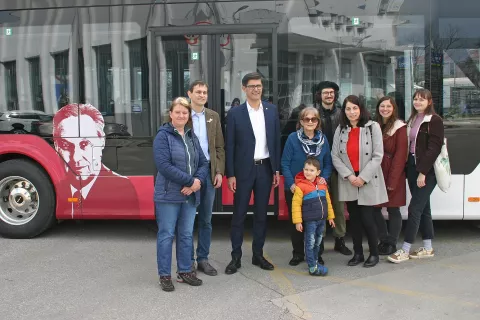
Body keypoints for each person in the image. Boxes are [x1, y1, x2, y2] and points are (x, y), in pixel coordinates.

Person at [225, 72, 281, 274]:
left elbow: (275, 141)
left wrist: (276, 169)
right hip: (243, 171)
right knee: (238, 214)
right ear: (244, 89)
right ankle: (235, 257)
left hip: (265, 169)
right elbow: (229, 145)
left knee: (261, 215)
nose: (256, 89)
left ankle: (258, 255)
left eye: (259, 85)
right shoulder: (234, 114)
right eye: (252, 86)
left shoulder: (271, 110)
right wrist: (230, 174)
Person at [153, 97, 209, 292]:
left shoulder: (191, 136)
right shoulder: (163, 136)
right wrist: (189, 181)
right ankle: (165, 275)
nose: (181, 115)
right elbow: (164, 166)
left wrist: (197, 183)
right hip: (168, 195)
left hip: (190, 194)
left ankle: (185, 271)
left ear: (188, 115)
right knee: (166, 234)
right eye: (177, 112)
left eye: (185, 113)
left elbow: (203, 163)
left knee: (185, 234)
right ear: (170, 114)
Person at [53, 103, 139, 218]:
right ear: (56, 146)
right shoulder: (58, 187)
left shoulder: (123, 188)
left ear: (102, 141)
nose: (76, 157)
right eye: (66, 145)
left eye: (84, 144)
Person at [331, 95, 388, 268]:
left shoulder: (373, 127)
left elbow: (378, 155)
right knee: (354, 219)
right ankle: (358, 253)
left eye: (355, 108)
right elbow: (335, 155)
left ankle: (374, 253)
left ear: (361, 109)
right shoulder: (340, 129)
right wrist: (349, 176)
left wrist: (362, 177)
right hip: (349, 179)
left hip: (367, 179)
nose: (352, 112)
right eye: (348, 109)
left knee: (367, 218)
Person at [388, 89, 444, 263]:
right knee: (424, 208)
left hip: (426, 170)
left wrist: (423, 172)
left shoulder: (434, 120)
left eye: (422, 99)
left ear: (429, 102)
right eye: (415, 99)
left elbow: (433, 148)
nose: (418, 102)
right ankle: (427, 247)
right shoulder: (413, 119)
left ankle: (405, 249)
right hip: (412, 167)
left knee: (414, 209)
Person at [281, 106, 333, 266]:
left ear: (318, 122)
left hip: (316, 190)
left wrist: (323, 178)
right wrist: (291, 184)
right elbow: (285, 163)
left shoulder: (323, 140)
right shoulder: (292, 138)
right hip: (296, 189)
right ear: (301, 121)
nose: (310, 122)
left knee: (318, 222)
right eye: (306, 119)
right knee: (296, 221)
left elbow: (328, 164)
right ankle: (298, 254)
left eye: (313, 119)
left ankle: (318, 253)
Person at [187, 80, 225, 276]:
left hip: (209, 173)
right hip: (187, 173)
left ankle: (203, 259)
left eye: (205, 92)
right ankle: (188, 262)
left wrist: (218, 171)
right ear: (190, 94)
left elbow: (219, 147)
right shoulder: (183, 115)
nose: (202, 95)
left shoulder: (213, 117)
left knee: (205, 220)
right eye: (198, 92)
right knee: (186, 220)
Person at [313, 81, 352, 257]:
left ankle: (339, 239)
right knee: (318, 205)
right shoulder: (313, 113)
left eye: (331, 93)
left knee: (338, 205)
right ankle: (319, 241)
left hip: (338, 166)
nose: (329, 95)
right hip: (317, 167)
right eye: (325, 93)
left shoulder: (342, 114)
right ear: (319, 95)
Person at [373, 97, 408, 255]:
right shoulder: (374, 125)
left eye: (388, 106)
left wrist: (392, 180)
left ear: (394, 108)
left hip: (393, 171)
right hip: (375, 171)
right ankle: (384, 239)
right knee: (375, 209)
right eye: (382, 106)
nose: (385, 109)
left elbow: (401, 155)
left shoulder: (399, 127)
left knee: (393, 209)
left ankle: (392, 242)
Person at [291, 157, 335, 276]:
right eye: (306, 169)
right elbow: (296, 205)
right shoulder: (300, 186)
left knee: (318, 242)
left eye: (311, 170)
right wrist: (298, 222)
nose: (308, 172)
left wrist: (330, 217)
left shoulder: (322, 185)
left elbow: (328, 202)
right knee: (310, 243)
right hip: (310, 221)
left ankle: (315, 262)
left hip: (321, 220)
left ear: (318, 172)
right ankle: (312, 267)